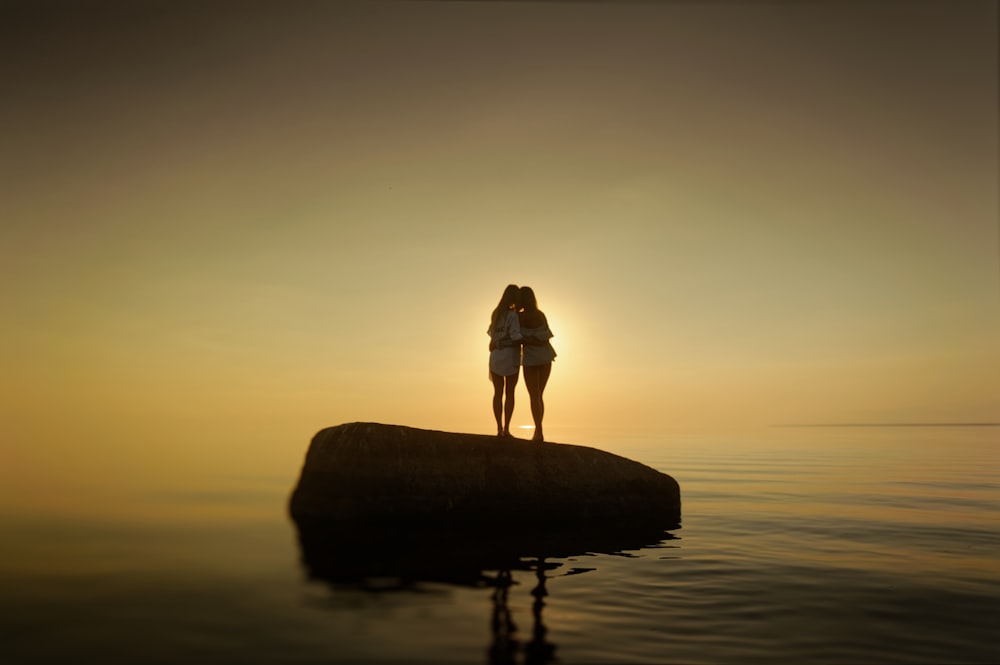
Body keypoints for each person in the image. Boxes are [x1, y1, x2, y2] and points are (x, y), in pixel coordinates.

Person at [518, 286, 556, 442]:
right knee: (539, 396)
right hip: (546, 356)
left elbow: (517, 337)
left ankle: (538, 432)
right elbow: (546, 337)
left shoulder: (519, 317)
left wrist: (526, 340)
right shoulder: (540, 315)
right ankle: (539, 431)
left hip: (532, 358)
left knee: (534, 395)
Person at [488, 284, 523, 437]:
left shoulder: (495, 314)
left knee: (497, 392)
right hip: (510, 357)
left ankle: (499, 428)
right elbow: (516, 337)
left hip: (495, 356)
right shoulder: (512, 316)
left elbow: (491, 335)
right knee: (510, 392)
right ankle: (507, 428)